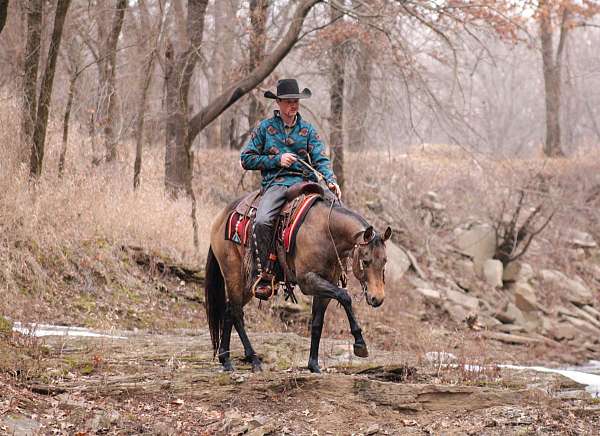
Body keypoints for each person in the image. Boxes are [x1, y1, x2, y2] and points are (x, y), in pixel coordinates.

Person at [240, 78, 341, 300]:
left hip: (305, 183)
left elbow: (320, 159)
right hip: (276, 184)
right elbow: (246, 159)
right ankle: (263, 273)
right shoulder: (265, 129)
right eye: (287, 101)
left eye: (295, 100)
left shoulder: (308, 130)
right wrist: (277, 159)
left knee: (336, 207)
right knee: (262, 220)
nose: (292, 105)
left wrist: (331, 179)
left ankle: (336, 268)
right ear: (278, 103)